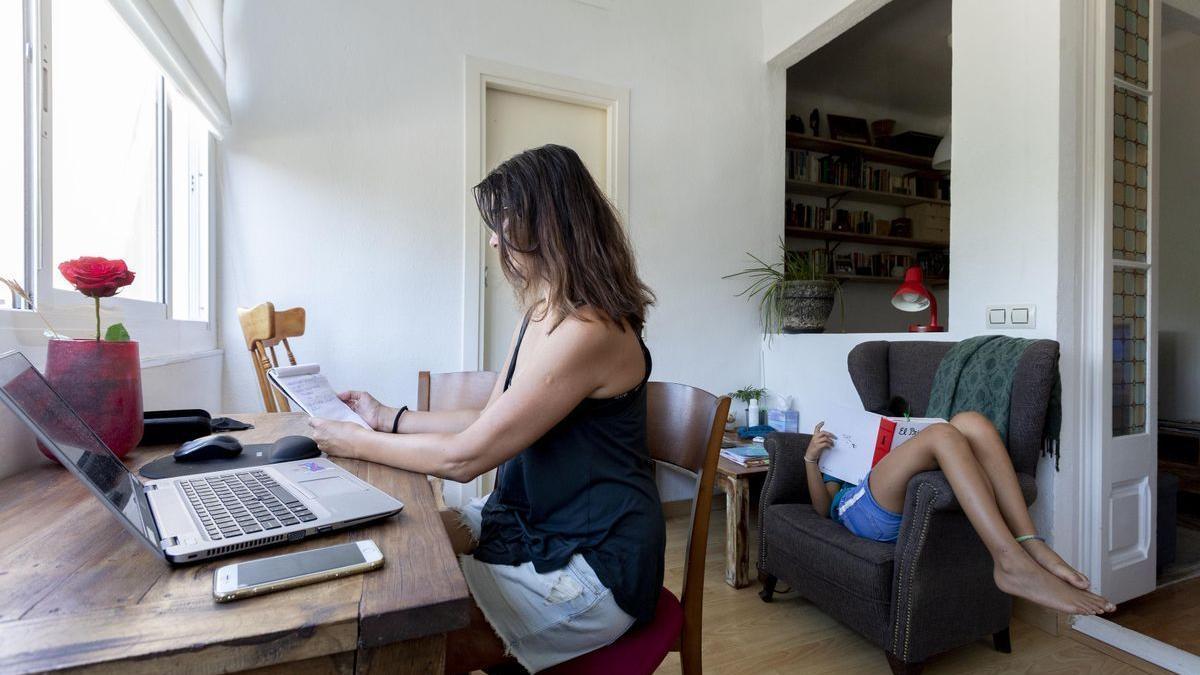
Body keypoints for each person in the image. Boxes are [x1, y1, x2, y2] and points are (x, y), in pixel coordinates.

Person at [308, 144, 661, 673]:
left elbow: (465, 459)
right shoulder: (542, 311)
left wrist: (352, 440)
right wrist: (386, 417)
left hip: (596, 559)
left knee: (405, 627)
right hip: (533, 521)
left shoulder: (592, 330)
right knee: (389, 551)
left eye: (503, 222)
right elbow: (487, 421)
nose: (494, 237)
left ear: (546, 224)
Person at [804, 412, 1116, 616]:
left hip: (896, 495)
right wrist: (811, 458)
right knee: (942, 434)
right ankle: (1008, 560)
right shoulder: (835, 467)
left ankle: (1029, 541)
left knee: (970, 422)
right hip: (861, 510)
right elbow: (823, 509)